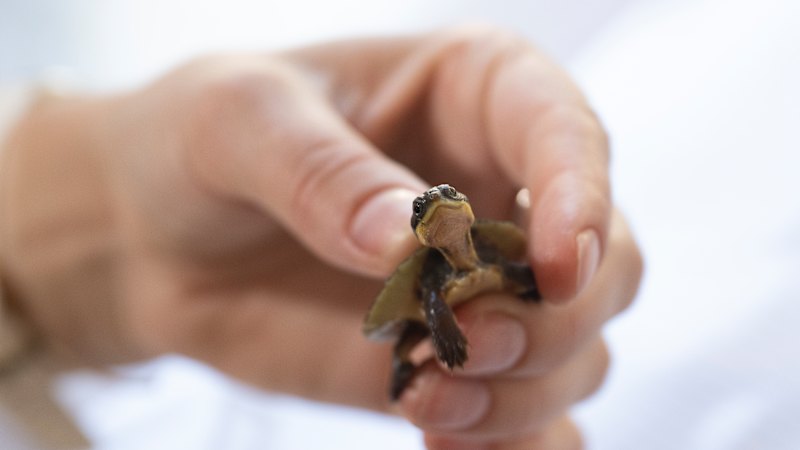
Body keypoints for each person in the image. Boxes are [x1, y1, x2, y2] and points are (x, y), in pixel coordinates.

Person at [0, 23, 642, 450]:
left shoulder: (494, 242)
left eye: (446, 204)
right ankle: (407, 380)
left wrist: (83, 221)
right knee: (427, 349)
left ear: (465, 215)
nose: (439, 212)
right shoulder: (426, 275)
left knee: (522, 311)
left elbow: (519, 259)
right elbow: (421, 314)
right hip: (435, 310)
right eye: (426, 210)